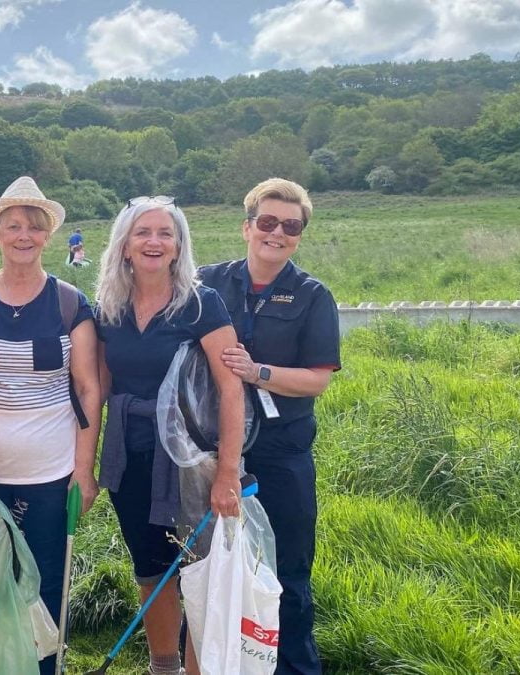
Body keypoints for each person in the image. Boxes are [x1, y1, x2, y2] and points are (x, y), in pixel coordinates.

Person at [0, 176, 99, 675]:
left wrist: (84, 467)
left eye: (33, 227)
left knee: (44, 579)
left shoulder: (69, 302)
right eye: (12, 225)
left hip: (52, 471)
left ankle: (42, 667)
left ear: (48, 236)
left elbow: (87, 388)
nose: (23, 236)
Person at [93, 196, 245, 675]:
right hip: (130, 458)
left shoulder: (202, 304)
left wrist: (227, 473)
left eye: (165, 233)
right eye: (143, 233)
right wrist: (85, 465)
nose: (154, 242)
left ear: (179, 246)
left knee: (199, 574)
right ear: (125, 245)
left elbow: (230, 390)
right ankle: (164, 666)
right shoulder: (108, 308)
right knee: (150, 566)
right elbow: (97, 387)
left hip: (191, 463)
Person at [198, 178, 341, 675]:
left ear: (300, 236)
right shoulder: (206, 281)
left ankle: (294, 668)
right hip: (211, 451)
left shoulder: (312, 295)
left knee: (289, 571)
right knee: (210, 566)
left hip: (283, 454)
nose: (276, 233)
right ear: (247, 227)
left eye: (290, 226)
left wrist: (257, 372)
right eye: (267, 222)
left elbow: (317, 380)